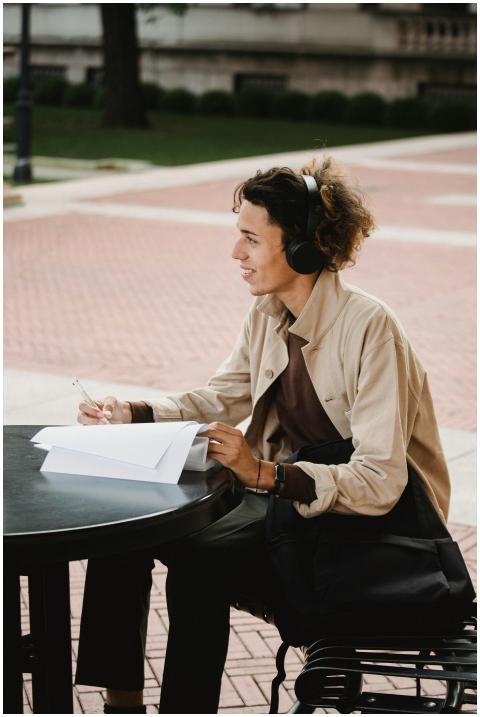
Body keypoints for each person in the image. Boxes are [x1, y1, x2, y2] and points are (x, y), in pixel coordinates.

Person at [74, 157, 450, 714]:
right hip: (284, 504)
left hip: (377, 529)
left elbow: (381, 482)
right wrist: (133, 411)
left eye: (250, 238)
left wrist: (263, 473)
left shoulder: (370, 328)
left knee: (201, 562)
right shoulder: (268, 314)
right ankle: (121, 702)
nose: (236, 254)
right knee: (124, 530)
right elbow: (218, 398)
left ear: (301, 246)